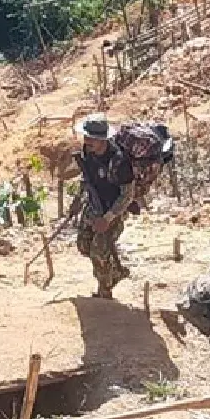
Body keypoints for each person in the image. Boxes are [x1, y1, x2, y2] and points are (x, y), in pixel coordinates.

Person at [66, 114, 138, 299]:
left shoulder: (119, 161)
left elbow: (127, 194)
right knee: (84, 245)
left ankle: (105, 292)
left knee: (99, 251)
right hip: (93, 206)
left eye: (91, 138)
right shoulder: (87, 153)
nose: (87, 140)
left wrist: (107, 219)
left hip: (113, 210)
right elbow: (87, 180)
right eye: (86, 137)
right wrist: (76, 201)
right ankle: (116, 271)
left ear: (102, 140)